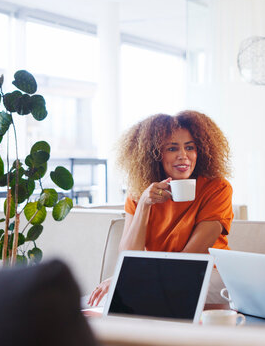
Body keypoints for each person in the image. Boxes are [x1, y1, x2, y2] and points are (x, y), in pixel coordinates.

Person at [88, 110, 233, 306]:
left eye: (190, 147)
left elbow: (190, 259)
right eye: (172, 149)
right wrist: (144, 206)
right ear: (154, 154)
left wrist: (130, 278)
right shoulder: (140, 193)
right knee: (111, 294)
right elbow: (129, 257)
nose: (184, 156)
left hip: (207, 276)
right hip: (161, 276)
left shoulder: (218, 189)